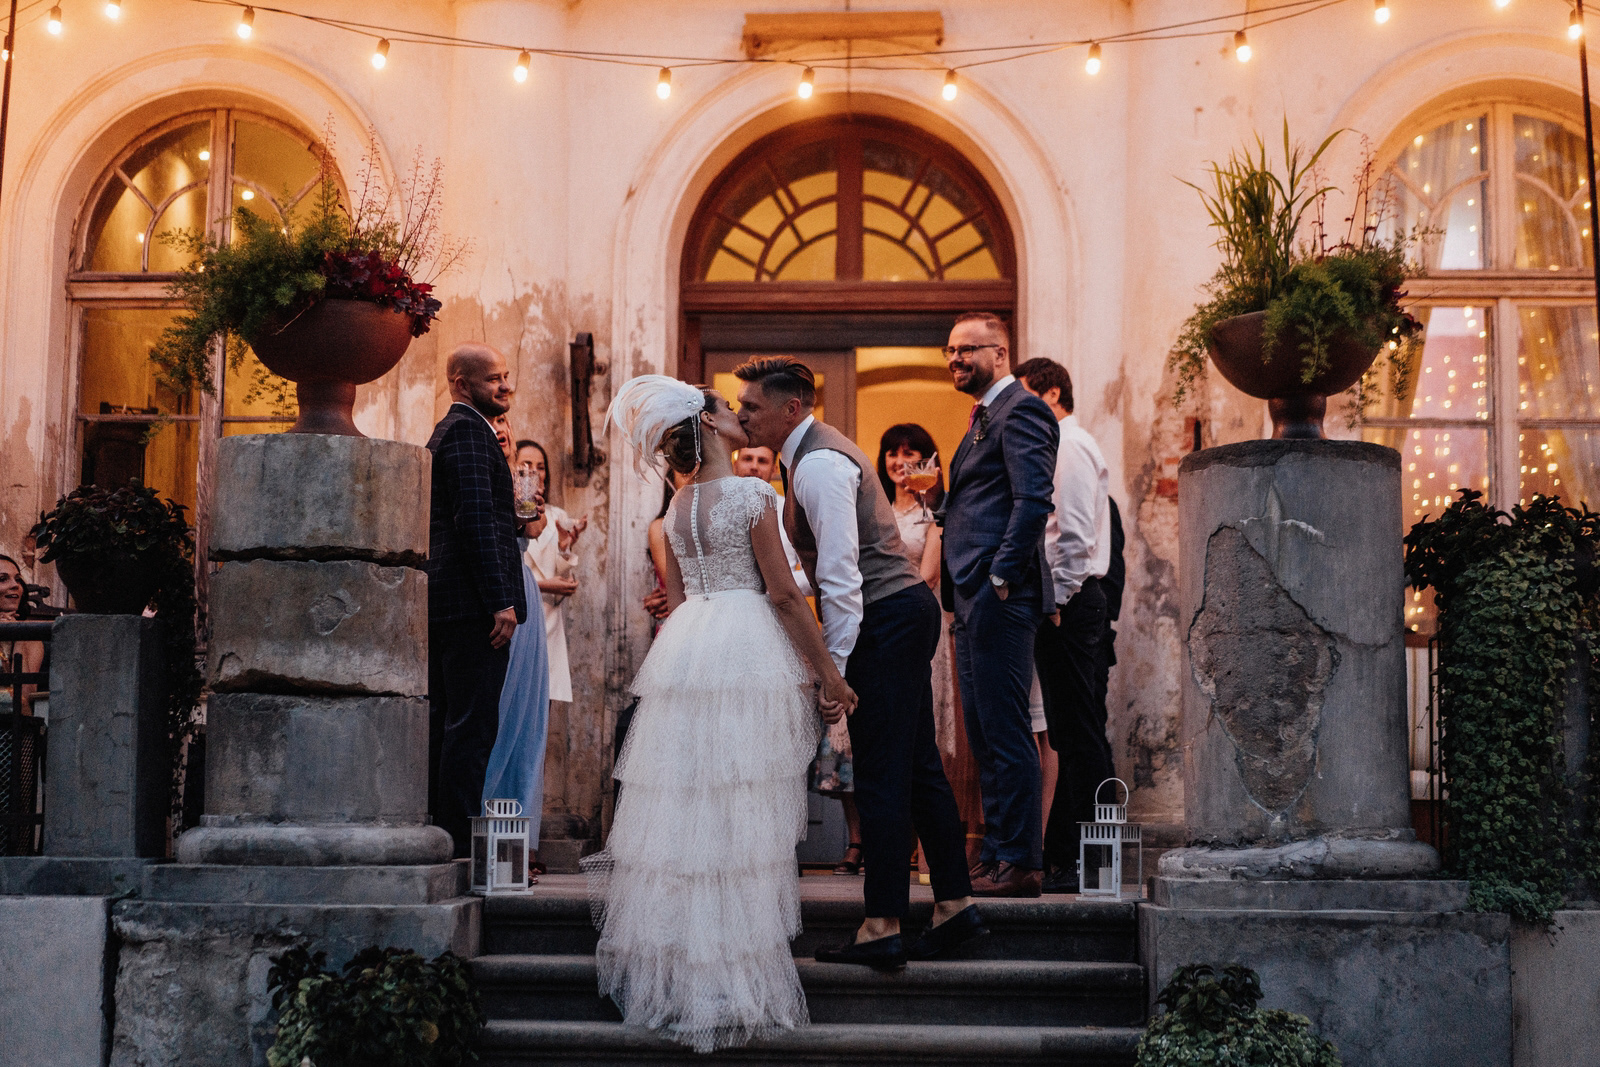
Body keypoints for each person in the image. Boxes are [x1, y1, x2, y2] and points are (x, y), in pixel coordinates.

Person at [584, 375, 855, 1053]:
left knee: (691, 816)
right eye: (726, 408)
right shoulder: (752, 494)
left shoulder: (678, 508)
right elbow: (785, 595)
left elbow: (676, 600)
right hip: (745, 649)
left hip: (689, 649)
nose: (738, 414)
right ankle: (729, 979)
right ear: (705, 425)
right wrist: (829, 674)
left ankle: (687, 975)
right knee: (741, 816)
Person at [736, 356, 981, 969]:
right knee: (917, 764)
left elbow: (843, 577)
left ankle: (882, 924)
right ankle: (955, 905)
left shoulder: (819, 463)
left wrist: (834, 671)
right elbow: (830, 568)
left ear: (791, 409)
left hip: (886, 617)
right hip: (899, 611)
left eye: (752, 406)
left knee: (880, 772)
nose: (743, 414)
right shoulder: (806, 456)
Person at [939, 313, 1058, 898]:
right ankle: (995, 854)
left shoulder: (1023, 410)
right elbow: (982, 500)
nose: (955, 359)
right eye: (950, 351)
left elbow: (1033, 501)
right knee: (985, 734)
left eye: (968, 349)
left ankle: (1022, 862)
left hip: (998, 595)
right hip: (968, 592)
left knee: (1007, 731)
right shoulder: (984, 415)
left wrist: (1000, 580)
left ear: (1001, 352)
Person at [1015, 356, 1115, 894]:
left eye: (1027, 396)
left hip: (1071, 604)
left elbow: (1072, 535)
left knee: (1080, 734)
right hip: (1066, 602)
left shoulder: (1069, 445)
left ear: (1052, 393)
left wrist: (1056, 599)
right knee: (1071, 731)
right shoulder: (1061, 442)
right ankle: (1068, 860)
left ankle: (1096, 867)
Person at [425, 343, 527, 858]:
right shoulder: (466, 430)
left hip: (458, 604)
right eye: (493, 379)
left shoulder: (461, 430)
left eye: (506, 376)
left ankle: (443, 838)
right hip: (471, 608)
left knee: (454, 724)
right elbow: (475, 521)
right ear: (461, 383)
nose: (505, 386)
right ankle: (457, 846)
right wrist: (500, 600)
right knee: (470, 727)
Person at [482, 416, 553, 879]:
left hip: (521, 594)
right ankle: (486, 850)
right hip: (496, 592)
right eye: (494, 422)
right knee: (496, 717)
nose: (502, 428)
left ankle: (513, 852)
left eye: (506, 420)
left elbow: (533, 528)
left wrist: (527, 501)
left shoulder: (518, 478)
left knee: (526, 722)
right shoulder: (477, 469)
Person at [512, 439, 586, 704]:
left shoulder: (557, 515)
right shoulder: (509, 512)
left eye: (541, 466)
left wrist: (565, 548)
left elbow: (558, 579)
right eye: (526, 464)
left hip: (549, 625)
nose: (535, 472)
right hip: (518, 619)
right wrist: (541, 585)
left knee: (544, 708)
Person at [0, 554, 43, 716]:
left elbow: (23, 698)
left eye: (18, 579)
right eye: (2, 579)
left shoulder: (29, 637)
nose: (15, 585)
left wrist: (16, 632)